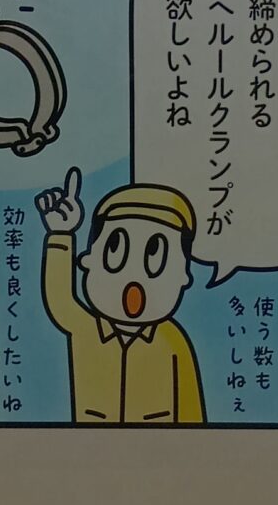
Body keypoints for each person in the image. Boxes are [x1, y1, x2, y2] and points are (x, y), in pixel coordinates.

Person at [33, 166, 204, 424]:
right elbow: (59, 299)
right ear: (88, 260)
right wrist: (61, 234)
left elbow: (192, 411)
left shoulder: (172, 340)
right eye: (115, 251)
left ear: (183, 276)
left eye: (155, 259)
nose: (133, 279)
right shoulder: (86, 329)